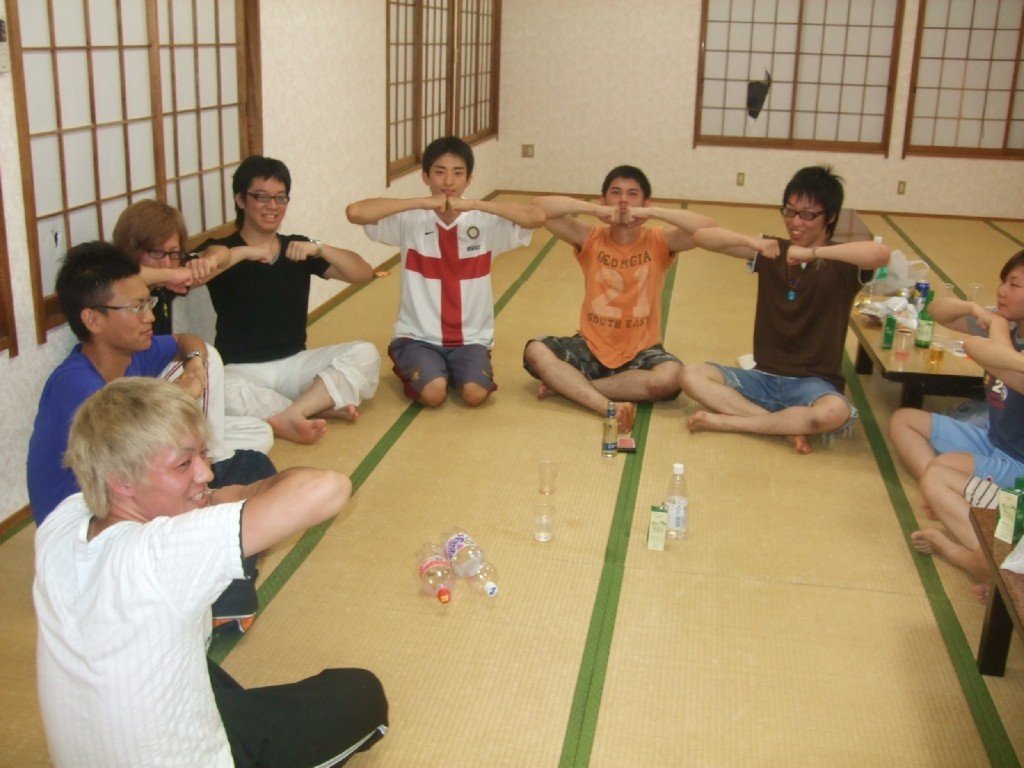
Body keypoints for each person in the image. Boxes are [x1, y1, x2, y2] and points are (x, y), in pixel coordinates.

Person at [34, 377, 388, 767]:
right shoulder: (160, 554)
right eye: (183, 463)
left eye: (203, 454)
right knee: (361, 693)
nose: (205, 473)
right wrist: (229, 497)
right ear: (122, 481)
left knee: (197, 664)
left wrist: (208, 497)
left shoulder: (61, 522)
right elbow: (328, 488)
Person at [27, 242, 271, 632]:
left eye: (149, 302)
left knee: (254, 466)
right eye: (137, 307)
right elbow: (136, 477)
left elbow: (187, 340)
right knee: (231, 498)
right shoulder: (76, 386)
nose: (151, 316)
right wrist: (180, 397)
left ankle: (222, 577)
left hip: (138, 491)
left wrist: (195, 366)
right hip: (95, 530)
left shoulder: (131, 352)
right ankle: (219, 586)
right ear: (93, 319)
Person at [679, 165, 890, 453]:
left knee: (834, 412)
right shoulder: (773, 250)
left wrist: (813, 253)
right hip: (763, 376)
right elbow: (703, 237)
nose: (795, 222)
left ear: (830, 216)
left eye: (808, 215)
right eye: (789, 212)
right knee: (690, 375)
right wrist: (750, 241)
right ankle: (783, 426)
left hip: (814, 384)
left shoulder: (843, 262)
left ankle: (732, 422)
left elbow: (881, 254)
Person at [346, 135, 545, 407]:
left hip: (471, 338)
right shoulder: (410, 219)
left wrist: (474, 204)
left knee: (475, 395)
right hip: (416, 336)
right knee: (433, 394)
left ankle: (446, 369)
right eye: (439, 172)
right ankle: (424, 366)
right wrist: (420, 203)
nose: (448, 181)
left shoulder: (484, 221)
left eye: (458, 173)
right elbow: (356, 212)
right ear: (425, 176)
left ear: (469, 179)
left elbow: (536, 217)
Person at [199, 155, 381, 444]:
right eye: (262, 197)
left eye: (280, 198)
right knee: (218, 393)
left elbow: (363, 273)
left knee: (366, 353)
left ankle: (292, 413)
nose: (272, 206)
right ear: (241, 200)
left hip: (295, 364)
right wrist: (246, 253)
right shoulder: (222, 249)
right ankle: (313, 406)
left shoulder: (295, 248)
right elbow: (200, 270)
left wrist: (319, 248)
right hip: (241, 369)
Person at [522, 165, 715, 431]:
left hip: (641, 351)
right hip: (590, 345)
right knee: (535, 351)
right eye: (615, 193)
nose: (623, 201)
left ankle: (571, 387)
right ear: (604, 200)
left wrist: (652, 213)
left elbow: (708, 228)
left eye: (633, 194)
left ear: (645, 203)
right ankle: (606, 406)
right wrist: (592, 209)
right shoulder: (588, 237)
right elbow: (538, 208)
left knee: (671, 377)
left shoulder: (660, 240)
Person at [889, 250, 1024, 597]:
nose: (1002, 291)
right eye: (1003, 282)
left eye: (1014, 285)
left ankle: (979, 558)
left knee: (939, 473)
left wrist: (996, 326)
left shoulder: (1004, 329)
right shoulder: (1009, 324)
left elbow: (983, 351)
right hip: (993, 438)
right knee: (905, 421)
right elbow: (936, 311)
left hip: (1018, 464)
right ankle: (950, 498)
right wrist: (973, 308)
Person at [113, 199, 275, 455]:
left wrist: (217, 258)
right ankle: (212, 458)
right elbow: (118, 277)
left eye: (173, 253)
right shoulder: (115, 283)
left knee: (261, 433)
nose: (167, 262)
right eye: (157, 253)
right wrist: (172, 275)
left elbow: (221, 254)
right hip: (130, 401)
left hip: (161, 386)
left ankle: (201, 450)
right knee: (210, 358)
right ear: (131, 248)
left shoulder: (166, 279)